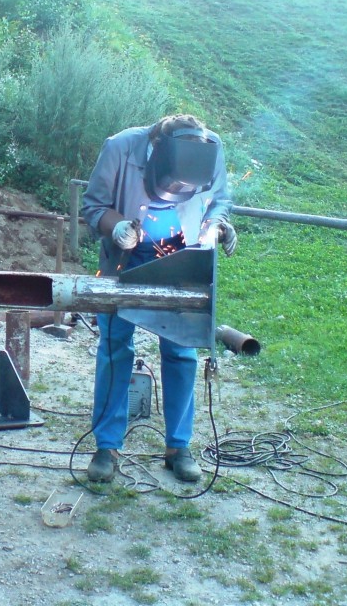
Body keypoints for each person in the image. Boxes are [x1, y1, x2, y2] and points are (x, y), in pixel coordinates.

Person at [81, 114, 237, 483]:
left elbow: (219, 199)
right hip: (125, 259)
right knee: (115, 350)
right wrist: (115, 225)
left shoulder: (208, 148)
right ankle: (107, 446)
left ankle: (178, 447)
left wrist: (217, 224)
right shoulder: (120, 147)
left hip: (181, 260)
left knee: (182, 351)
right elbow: (94, 206)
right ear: (158, 152)